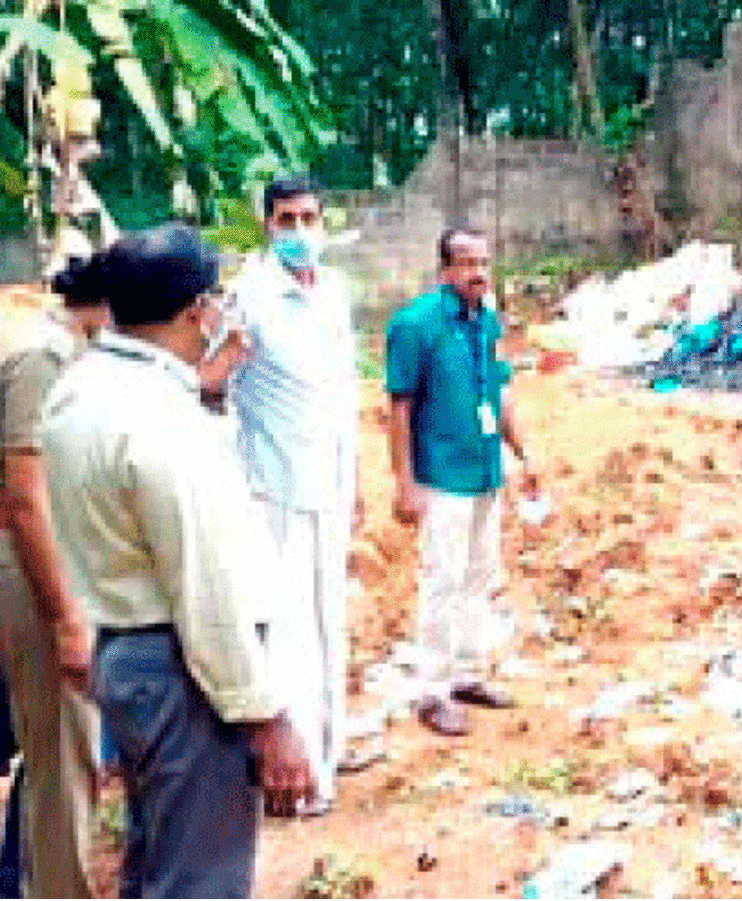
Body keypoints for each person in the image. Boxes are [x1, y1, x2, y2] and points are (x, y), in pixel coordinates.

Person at [41, 224, 313, 898]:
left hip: (125, 655)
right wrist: (267, 718)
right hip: (184, 673)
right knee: (200, 880)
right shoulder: (161, 418)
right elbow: (206, 589)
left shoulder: (82, 391)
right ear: (197, 311)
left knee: (154, 863)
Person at [199, 174, 365, 812]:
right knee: (286, 630)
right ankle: (293, 781)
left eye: (308, 219)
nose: (299, 232)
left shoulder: (334, 293)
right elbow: (208, 381)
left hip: (329, 479)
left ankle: (329, 747)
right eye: (286, 221)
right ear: (267, 225)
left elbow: (343, 392)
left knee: (330, 623)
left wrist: (357, 481)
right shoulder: (250, 297)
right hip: (272, 488)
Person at [385, 227, 539, 737]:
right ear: (445, 270)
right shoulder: (416, 326)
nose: (478, 274)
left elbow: (502, 393)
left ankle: (468, 672)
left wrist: (524, 453)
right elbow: (399, 409)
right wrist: (404, 483)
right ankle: (431, 691)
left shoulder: (487, 322)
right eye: (467, 264)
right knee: (442, 581)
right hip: (442, 476)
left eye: (484, 264)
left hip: (484, 472)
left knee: (479, 575)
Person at [0, 254, 110, 898]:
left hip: (36, 562)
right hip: (33, 571)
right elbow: (26, 499)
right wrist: (67, 619)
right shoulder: (45, 357)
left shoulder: (49, 345)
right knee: (64, 760)